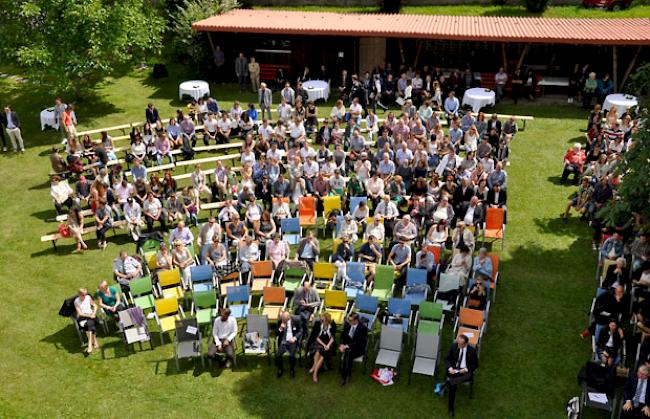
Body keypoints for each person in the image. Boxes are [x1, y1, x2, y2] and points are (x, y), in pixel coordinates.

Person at [439, 335, 479, 416]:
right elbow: (446, 358)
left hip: (465, 372)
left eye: (461, 344)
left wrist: (466, 369)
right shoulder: (454, 346)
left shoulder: (472, 351)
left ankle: (447, 383)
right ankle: (451, 408)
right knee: (453, 387)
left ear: (466, 344)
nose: (458, 346)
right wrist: (450, 368)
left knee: (466, 377)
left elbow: (475, 365)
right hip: (454, 370)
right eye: (458, 343)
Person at [339, 312, 368, 386]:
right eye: (349, 320)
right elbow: (343, 336)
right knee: (348, 353)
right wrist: (342, 344)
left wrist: (346, 346)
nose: (349, 321)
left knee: (348, 353)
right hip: (348, 347)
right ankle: (347, 375)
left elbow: (359, 342)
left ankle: (344, 375)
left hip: (358, 348)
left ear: (356, 320)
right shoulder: (347, 325)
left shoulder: (362, 328)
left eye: (351, 320)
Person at [307, 312, 337, 383]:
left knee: (323, 353)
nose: (322, 321)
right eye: (322, 320)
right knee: (318, 351)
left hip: (329, 343)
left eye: (323, 320)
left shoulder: (332, 325)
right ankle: (314, 368)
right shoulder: (318, 324)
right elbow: (316, 337)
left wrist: (328, 345)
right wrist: (324, 345)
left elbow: (332, 338)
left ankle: (314, 372)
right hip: (319, 342)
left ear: (327, 321)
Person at [275, 311, 304, 378]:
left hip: (292, 341)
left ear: (289, 317)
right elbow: (276, 333)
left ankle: (292, 369)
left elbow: (301, 331)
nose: (283, 321)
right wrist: (280, 328)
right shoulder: (281, 321)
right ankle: (280, 369)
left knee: (292, 356)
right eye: (283, 320)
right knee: (278, 355)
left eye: (285, 320)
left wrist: (295, 338)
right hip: (284, 341)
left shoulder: (296, 319)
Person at [75, 288, 99, 354]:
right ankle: (93, 341)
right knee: (90, 324)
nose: (84, 296)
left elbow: (95, 305)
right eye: (83, 295)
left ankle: (90, 344)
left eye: (85, 294)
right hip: (83, 317)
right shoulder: (76, 301)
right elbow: (80, 313)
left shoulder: (88, 297)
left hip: (91, 315)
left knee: (89, 324)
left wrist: (93, 313)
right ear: (79, 295)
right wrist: (89, 316)